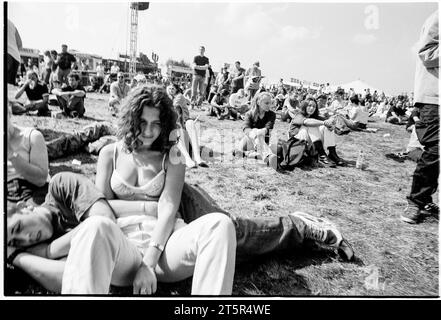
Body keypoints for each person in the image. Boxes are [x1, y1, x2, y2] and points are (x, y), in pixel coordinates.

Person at [7, 86, 354, 295]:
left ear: (166, 124)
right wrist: (146, 211)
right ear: (130, 119)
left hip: (166, 248)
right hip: (122, 250)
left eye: (157, 123)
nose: (148, 131)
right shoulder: (111, 154)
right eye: (142, 122)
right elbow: (103, 213)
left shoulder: (172, 155)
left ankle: (297, 228)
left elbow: (169, 206)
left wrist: (150, 260)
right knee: (96, 227)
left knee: (222, 225)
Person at [401, 10, 439, 224]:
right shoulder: (439, 17)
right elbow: (427, 53)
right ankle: (416, 201)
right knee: (436, 151)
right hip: (434, 99)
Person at [7, 105, 49, 206]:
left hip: (31, 192)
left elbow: (40, 180)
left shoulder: (32, 137)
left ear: (9, 113)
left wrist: (11, 154)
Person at [289, 98, 344, 167]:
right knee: (312, 124)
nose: (311, 108)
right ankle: (322, 155)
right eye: (309, 105)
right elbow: (307, 122)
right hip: (296, 144)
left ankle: (332, 153)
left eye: (314, 106)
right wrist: (324, 122)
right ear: (305, 106)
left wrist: (331, 123)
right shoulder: (299, 115)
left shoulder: (315, 117)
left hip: (308, 144)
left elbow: (328, 121)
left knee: (326, 127)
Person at [167, 83, 208, 168]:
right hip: (175, 127)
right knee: (176, 130)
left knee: (190, 123)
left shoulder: (179, 96)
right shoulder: (169, 98)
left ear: (176, 90)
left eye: (173, 89)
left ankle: (197, 158)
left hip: (184, 121)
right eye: (170, 89)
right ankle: (188, 159)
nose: (171, 90)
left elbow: (174, 105)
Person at [237, 92, 278, 169]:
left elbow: (269, 127)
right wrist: (254, 133)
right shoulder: (249, 114)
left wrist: (261, 132)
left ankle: (247, 154)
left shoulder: (272, 114)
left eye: (270, 103)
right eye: (266, 103)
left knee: (275, 148)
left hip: (263, 142)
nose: (269, 105)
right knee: (256, 132)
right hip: (249, 140)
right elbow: (245, 128)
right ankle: (267, 156)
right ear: (258, 102)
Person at [7, 19, 23, 85]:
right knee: (9, 87)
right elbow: (20, 44)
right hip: (15, 57)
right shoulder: (11, 24)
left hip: (7, 54)